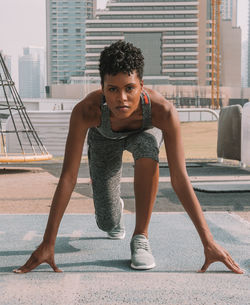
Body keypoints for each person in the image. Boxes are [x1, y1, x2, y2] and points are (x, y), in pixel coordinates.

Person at [14, 40, 243, 274]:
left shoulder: (162, 111)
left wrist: (208, 241)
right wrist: (48, 242)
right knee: (107, 223)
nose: (121, 98)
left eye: (129, 88)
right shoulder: (86, 111)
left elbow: (179, 178)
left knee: (147, 148)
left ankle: (140, 238)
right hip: (104, 139)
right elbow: (68, 177)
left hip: (143, 133)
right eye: (112, 89)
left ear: (141, 85)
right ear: (102, 88)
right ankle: (115, 212)